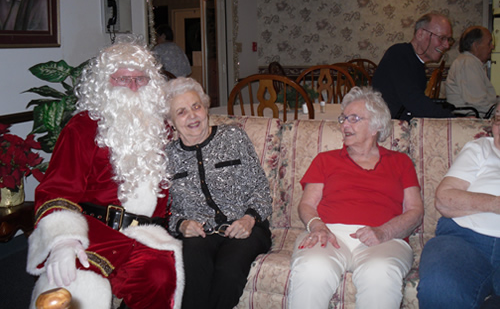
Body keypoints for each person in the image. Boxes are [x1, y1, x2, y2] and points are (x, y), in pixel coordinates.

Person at [26, 39, 184, 309]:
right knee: (71, 287)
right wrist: (64, 239)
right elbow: (55, 190)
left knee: (158, 277)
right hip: (92, 229)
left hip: (148, 233)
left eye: (141, 79)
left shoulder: (164, 129)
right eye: (123, 79)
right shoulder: (83, 127)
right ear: (105, 83)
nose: (134, 86)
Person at [287, 86, 423, 309]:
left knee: (381, 274)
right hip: (329, 234)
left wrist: (385, 231)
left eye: (353, 119)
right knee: (311, 268)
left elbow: (415, 211)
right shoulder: (325, 160)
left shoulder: (400, 162)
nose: (344, 125)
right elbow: (307, 204)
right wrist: (317, 226)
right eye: (343, 119)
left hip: (384, 238)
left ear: (376, 125)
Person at [164, 77, 272, 309]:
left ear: (205, 108)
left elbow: (260, 187)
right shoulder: (167, 157)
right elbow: (167, 210)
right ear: (171, 121)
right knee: (192, 265)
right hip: (201, 233)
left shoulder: (233, 137)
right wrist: (182, 224)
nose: (192, 116)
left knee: (229, 271)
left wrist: (248, 219)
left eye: (196, 106)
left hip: (245, 227)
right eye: (181, 112)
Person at [417, 101, 500, 309]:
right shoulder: (480, 148)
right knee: (439, 286)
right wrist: (496, 204)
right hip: (463, 240)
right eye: (498, 119)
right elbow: (444, 200)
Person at [372, 12, 455, 120]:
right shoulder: (398, 54)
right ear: (420, 34)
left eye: (449, 39)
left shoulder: (416, 63)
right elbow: (415, 102)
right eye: (442, 38)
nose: (447, 45)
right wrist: (454, 118)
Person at [445, 26, 497, 116]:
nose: (492, 47)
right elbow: (478, 102)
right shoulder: (468, 63)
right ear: (476, 45)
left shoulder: (469, 62)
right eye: (489, 43)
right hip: (472, 118)